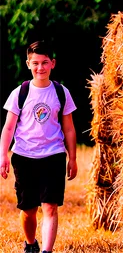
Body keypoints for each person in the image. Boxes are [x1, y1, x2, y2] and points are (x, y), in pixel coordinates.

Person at [0, 40, 78, 253]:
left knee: (50, 207)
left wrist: (72, 158)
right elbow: (8, 128)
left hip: (53, 156)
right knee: (28, 210)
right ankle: (31, 244)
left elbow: (69, 129)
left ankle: (47, 251)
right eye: (35, 63)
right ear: (28, 64)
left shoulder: (62, 93)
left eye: (44, 62)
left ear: (53, 63)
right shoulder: (20, 93)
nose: (40, 68)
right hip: (24, 156)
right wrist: (3, 157)